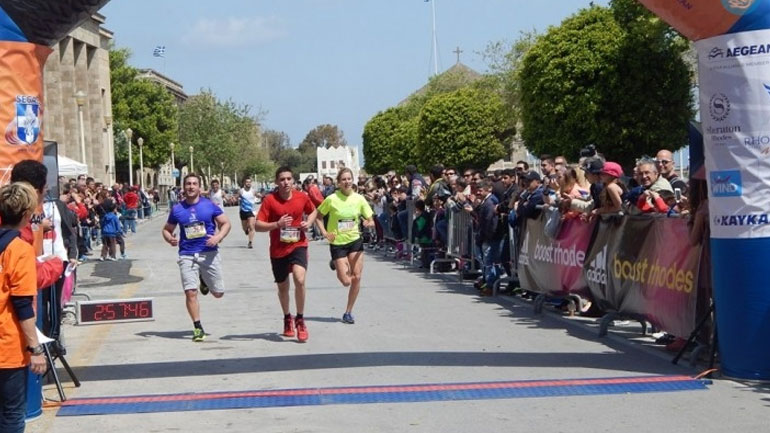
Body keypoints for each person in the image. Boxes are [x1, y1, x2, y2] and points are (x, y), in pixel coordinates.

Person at [0, 182, 48, 433]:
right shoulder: (19, 250)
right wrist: (35, 348)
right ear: (27, 214)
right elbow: (22, 303)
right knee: (11, 414)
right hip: (7, 347)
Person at [162, 173, 231, 342]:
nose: (191, 187)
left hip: (209, 253)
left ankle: (204, 280)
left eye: (194, 184)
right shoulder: (177, 209)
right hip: (187, 254)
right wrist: (169, 238)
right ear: (183, 187)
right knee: (190, 293)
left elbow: (226, 223)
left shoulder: (210, 205)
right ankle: (198, 327)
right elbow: (166, 229)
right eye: (188, 184)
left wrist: (218, 237)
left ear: (200, 187)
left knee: (218, 293)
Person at [255, 166, 318, 342]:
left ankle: (300, 319)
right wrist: (277, 224)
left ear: (293, 180)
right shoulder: (269, 200)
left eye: (289, 179)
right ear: (276, 182)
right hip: (278, 249)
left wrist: (309, 222)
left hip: (298, 244)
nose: (286, 182)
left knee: (300, 279)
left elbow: (313, 210)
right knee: (283, 287)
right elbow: (258, 225)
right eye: (282, 179)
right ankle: (287, 318)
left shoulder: (301, 197)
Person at [316, 168, 375, 324]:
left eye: (349, 179)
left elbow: (370, 219)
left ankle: (348, 312)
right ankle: (335, 262)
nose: (347, 182)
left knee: (357, 277)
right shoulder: (331, 199)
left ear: (352, 180)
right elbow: (318, 216)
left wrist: (368, 223)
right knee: (346, 281)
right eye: (344, 179)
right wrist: (324, 232)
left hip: (355, 240)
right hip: (338, 243)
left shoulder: (359, 199)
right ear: (339, 182)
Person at [239, 177, 258, 248]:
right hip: (243, 211)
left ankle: (250, 242)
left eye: (249, 182)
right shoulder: (241, 191)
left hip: (251, 211)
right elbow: (237, 197)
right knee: (244, 227)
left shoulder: (253, 191)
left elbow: (258, 195)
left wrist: (261, 196)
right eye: (247, 182)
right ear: (244, 183)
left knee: (251, 226)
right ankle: (246, 230)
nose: (248, 183)